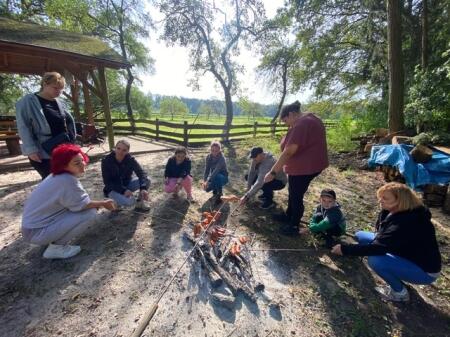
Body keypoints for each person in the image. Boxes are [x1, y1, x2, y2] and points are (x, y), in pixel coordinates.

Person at [331, 182, 441, 302]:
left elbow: (379, 248)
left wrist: (345, 250)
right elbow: (381, 235)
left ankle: (400, 294)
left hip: (424, 271)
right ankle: (395, 270)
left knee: (376, 260)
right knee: (361, 235)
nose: (380, 201)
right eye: (380, 197)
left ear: (400, 200)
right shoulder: (398, 210)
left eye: (385, 198)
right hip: (404, 252)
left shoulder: (407, 222)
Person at [21, 144, 116, 259]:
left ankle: (52, 240)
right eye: (76, 163)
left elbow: (76, 202)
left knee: (88, 209)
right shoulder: (67, 180)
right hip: (36, 232)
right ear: (64, 165)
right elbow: (83, 205)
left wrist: (98, 203)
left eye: (82, 160)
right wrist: (103, 203)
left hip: (33, 228)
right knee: (90, 213)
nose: (83, 164)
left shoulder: (57, 176)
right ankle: (57, 248)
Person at [264, 100, 328, 236]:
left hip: (305, 168)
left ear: (292, 114)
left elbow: (289, 151)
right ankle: (289, 215)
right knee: (293, 193)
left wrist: (273, 172)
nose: (286, 124)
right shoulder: (311, 118)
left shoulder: (302, 123)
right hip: (308, 165)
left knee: (296, 195)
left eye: (285, 120)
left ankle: (293, 225)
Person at [16, 72, 77, 179]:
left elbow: (69, 121)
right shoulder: (28, 101)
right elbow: (23, 126)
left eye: (61, 89)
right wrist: (31, 150)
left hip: (63, 148)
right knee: (53, 181)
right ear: (45, 84)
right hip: (43, 151)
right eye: (55, 88)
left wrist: (72, 141)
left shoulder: (60, 102)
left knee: (66, 179)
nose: (59, 91)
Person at [101, 139, 150, 210]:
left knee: (147, 180)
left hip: (127, 184)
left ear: (128, 151)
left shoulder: (130, 160)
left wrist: (143, 188)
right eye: (118, 148)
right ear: (114, 148)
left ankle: (139, 203)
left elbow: (141, 173)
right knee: (131, 202)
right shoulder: (106, 161)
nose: (120, 152)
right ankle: (115, 202)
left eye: (124, 150)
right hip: (113, 189)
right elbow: (107, 182)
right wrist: (123, 191)